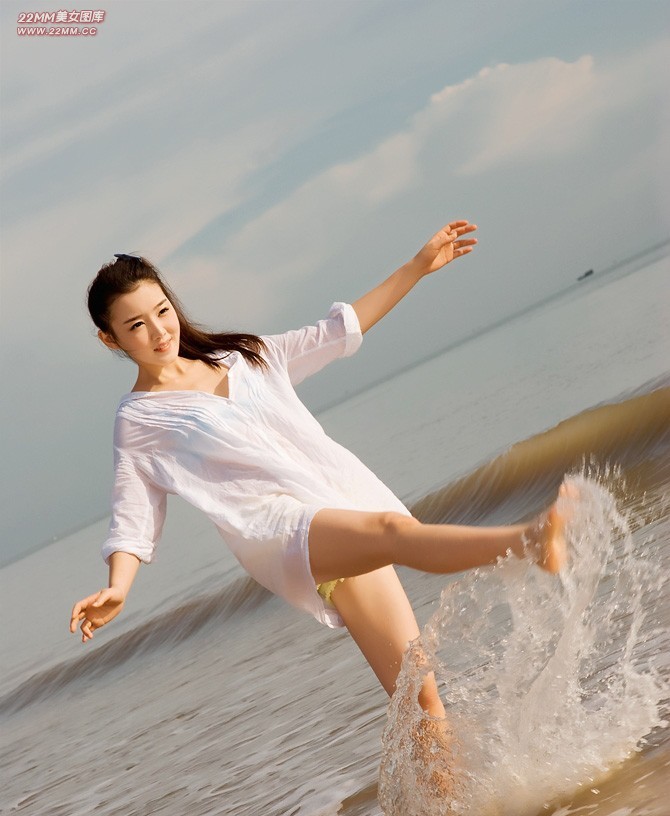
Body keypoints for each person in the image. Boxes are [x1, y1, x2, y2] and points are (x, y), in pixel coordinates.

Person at [70, 221, 569, 721]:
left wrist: (416, 268)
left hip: (335, 509)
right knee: (394, 529)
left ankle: (443, 802)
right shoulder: (139, 418)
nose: (159, 331)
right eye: (136, 325)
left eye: (162, 311)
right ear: (109, 337)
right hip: (277, 530)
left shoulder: (245, 356)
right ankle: (529, 542)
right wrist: (118, 586)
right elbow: (133, 512)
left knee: (422, 700)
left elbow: (338, 331)